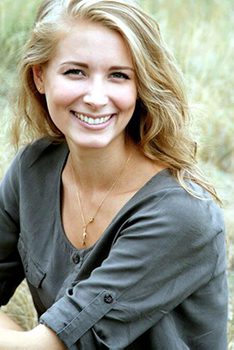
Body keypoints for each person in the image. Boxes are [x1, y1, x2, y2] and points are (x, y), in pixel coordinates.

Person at [0, 0, 228, 349]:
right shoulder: (34, 168)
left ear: (142, 88)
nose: (95, 97)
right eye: (75, 71)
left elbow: (49, 346)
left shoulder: (181, 214)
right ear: (40, 76)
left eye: (119, 75)